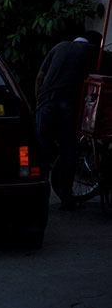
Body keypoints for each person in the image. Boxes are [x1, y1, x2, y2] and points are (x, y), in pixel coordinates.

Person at [35, 30, 111, 210]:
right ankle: (66, 199)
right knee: (69, 150)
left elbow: (39, 77)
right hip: (69, 105)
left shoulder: (59, 47)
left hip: (46, 103)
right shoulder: (94, 51)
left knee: (40, 152)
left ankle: (36, 196)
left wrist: (38, 102)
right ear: (96, 43)